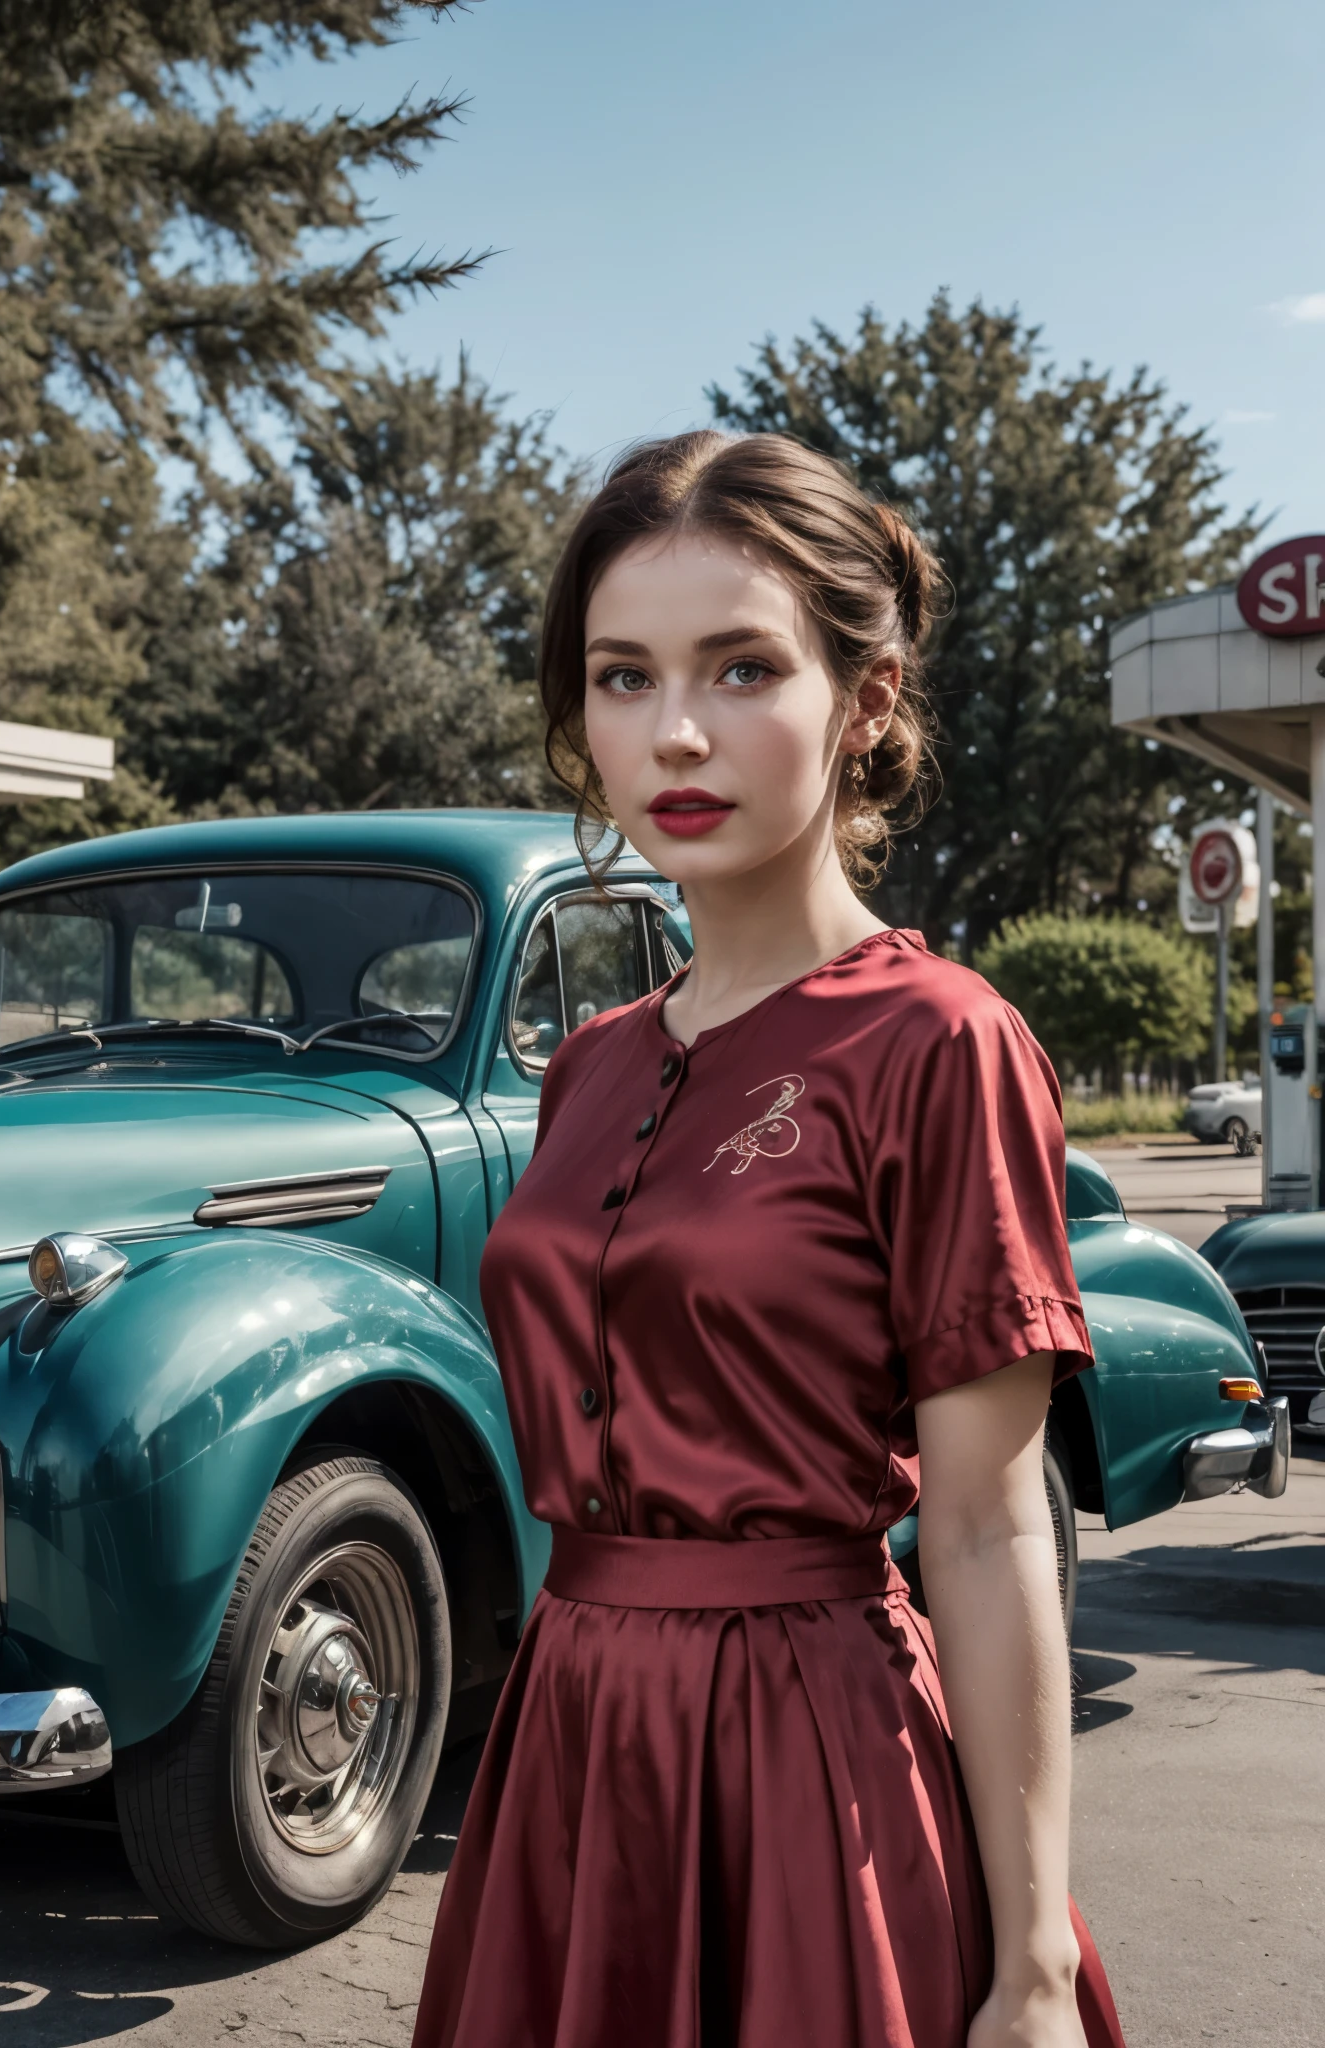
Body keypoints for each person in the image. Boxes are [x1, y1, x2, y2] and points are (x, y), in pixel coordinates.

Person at [412, 431, 1126, 2048]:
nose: (673, 731)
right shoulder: (590, 1062)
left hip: (814, 1760)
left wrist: (1025, 1970)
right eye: (622, 676)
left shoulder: (940, 1042)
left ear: (862, 701)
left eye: (742, 669)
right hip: (572, 1751)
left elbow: (994, 1532)